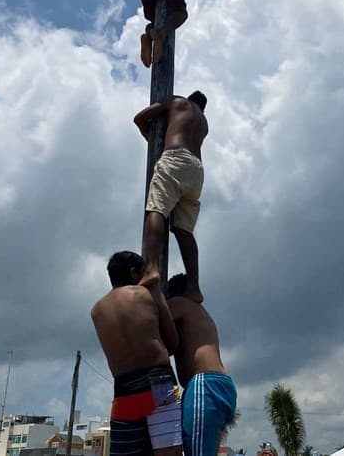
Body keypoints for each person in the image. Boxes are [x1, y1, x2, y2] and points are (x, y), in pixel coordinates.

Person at [91, 251, 182, 456]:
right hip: (159, 382)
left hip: (124, 390)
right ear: (134, 273)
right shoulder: (148, 294)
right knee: (169, 453)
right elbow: (173, 342)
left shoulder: (97, 310)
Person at [134, 91, 208, 303]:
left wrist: (148, 134)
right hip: (197, 170)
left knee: (156, 210)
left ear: (189, 98)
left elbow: (139, 117)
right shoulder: (204, 123)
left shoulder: (177, 101)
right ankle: (194, 287)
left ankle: (151, 270)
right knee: (184, 229)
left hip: (175, 156)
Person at [167, 273, 237, 456]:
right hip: (220, 384)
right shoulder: (199, 312)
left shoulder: (179, 304)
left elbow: (152, 320)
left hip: (204, 386)